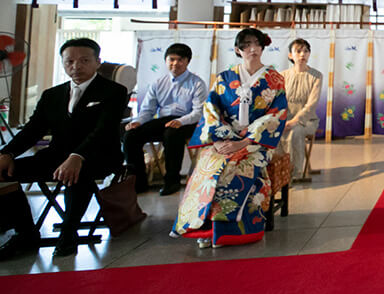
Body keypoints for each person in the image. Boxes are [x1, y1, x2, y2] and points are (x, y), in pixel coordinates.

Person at [0, 38, 128, 258]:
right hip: (56, 156)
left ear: (97, 62)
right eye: (70, 61)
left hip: (100, 156)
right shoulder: (52, 95)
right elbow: (33, 130)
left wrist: (77, 156)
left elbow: (103, 130)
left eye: (84, 60)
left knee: (77, 173)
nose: (76, 66)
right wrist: (7, 153)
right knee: (3, 173)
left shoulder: (114, 91)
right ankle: (26, 234)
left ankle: (68, 234)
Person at [172, 28, 286, 248]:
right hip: (224, 138)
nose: (252, 49)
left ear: (262, 47)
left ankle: (229, 231)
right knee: (206, 168)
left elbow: (276, 115)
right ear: (237, 50)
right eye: (246, 45)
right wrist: (218, 140)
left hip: (256, 142)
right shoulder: (224, 78)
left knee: (236, 170)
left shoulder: (274, 79)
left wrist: (244, 142)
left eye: (256, 44)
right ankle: (202, 228)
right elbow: (211, 109)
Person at [123, 42, 207, 195]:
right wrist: (137, 122)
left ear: (187, 62)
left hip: (188, 122)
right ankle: (138, 182)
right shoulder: (158, 83)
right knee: (130, 135)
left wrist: (180, 121)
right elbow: (148, 110)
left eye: (180, 60)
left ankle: (172, 181)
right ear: (166, 61)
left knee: (172, 133)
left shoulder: (197, 83)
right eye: (172, 59)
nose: (175, 63)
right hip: (164, 121)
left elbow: (198, 113)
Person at [281, 38, 322, 181]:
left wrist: (293, 122)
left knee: (295, 131)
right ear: (290, 55)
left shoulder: (316, 76)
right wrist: (282, 121)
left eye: (305, 51)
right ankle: (278, 170)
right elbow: (277, 102)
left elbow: (311, 105)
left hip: (307, 121)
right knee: (271, 130)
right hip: (284, 119)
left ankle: (294, 173)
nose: (302, 54)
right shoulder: (282, 76)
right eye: (298, 51)